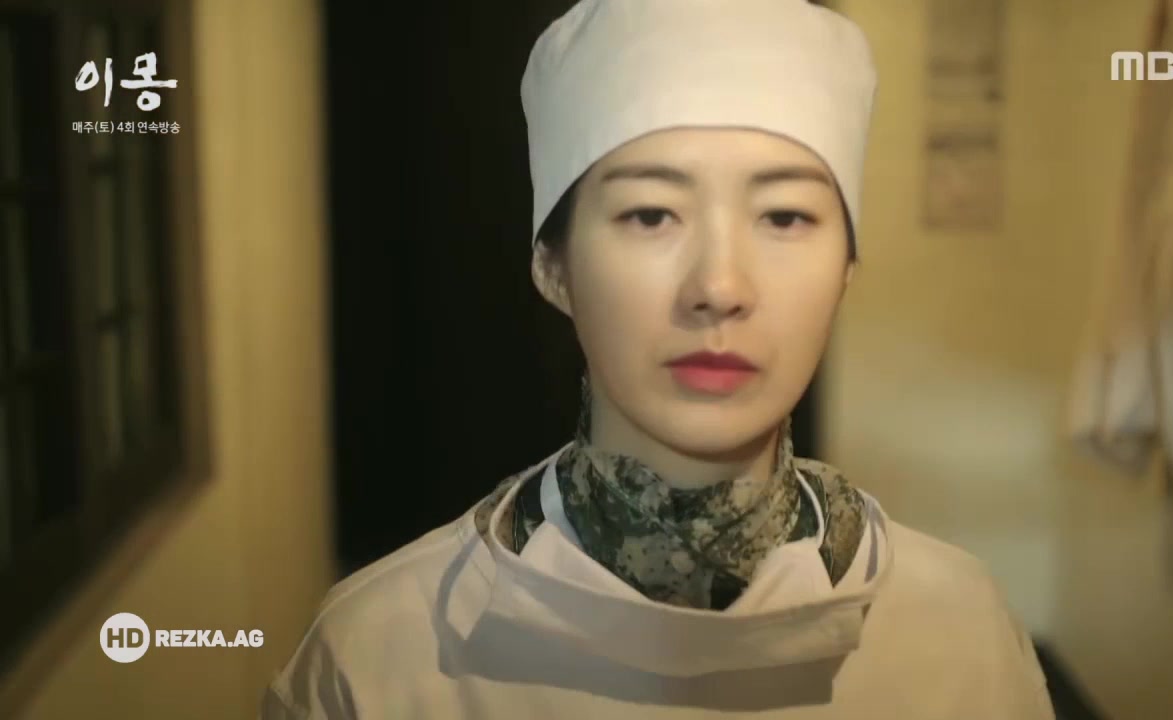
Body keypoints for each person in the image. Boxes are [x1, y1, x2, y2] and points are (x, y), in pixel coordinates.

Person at [261, 1, 1056, 717]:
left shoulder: (963, 634)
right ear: (554, 266)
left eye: (784, 216)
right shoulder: (377, 656)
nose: (719, 286)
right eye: (650, 215)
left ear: (846, 265)